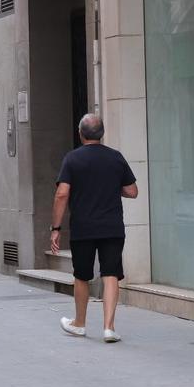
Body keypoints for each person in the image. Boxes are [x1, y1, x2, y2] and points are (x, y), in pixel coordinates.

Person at [52, 113, 138, 343]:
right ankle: (109, 328)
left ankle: (79, 323)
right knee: (111, 274)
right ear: (102, 134)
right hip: (112, 227)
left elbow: (62, 194)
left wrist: (55, 228)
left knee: (81, 275)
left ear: (81, 134)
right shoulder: (116, 157)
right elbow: (132, 191)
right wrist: (111, 187)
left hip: (83, 228)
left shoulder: (72, 159)